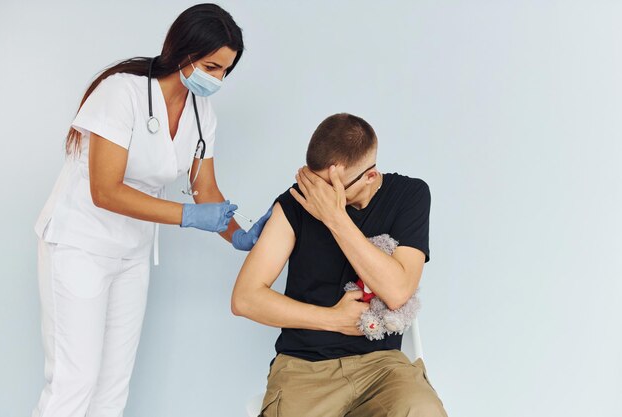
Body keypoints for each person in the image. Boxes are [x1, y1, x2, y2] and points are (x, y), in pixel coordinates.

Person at [32, 4, 271, 417]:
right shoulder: (121, 93)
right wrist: (187, 216)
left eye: (224, 72)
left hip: (132, 252)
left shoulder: (202, 112)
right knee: (74, 381)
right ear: (183, 52)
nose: (217, 80)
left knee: (113, 386)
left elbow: (206, 189)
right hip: (79, 245)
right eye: (211, 67)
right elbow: (105, 191)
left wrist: (239, 235)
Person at [232, 113, 448, 416]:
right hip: (304, 367)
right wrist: (334, 319)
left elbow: (398, 291)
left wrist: (335, 218)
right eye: (314, 182)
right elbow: (245, 298)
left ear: (369, 176)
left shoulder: (410, 195)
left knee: (423, 411)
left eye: (331, 188)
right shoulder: (296, 202)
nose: (317, 195)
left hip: (382, 368)